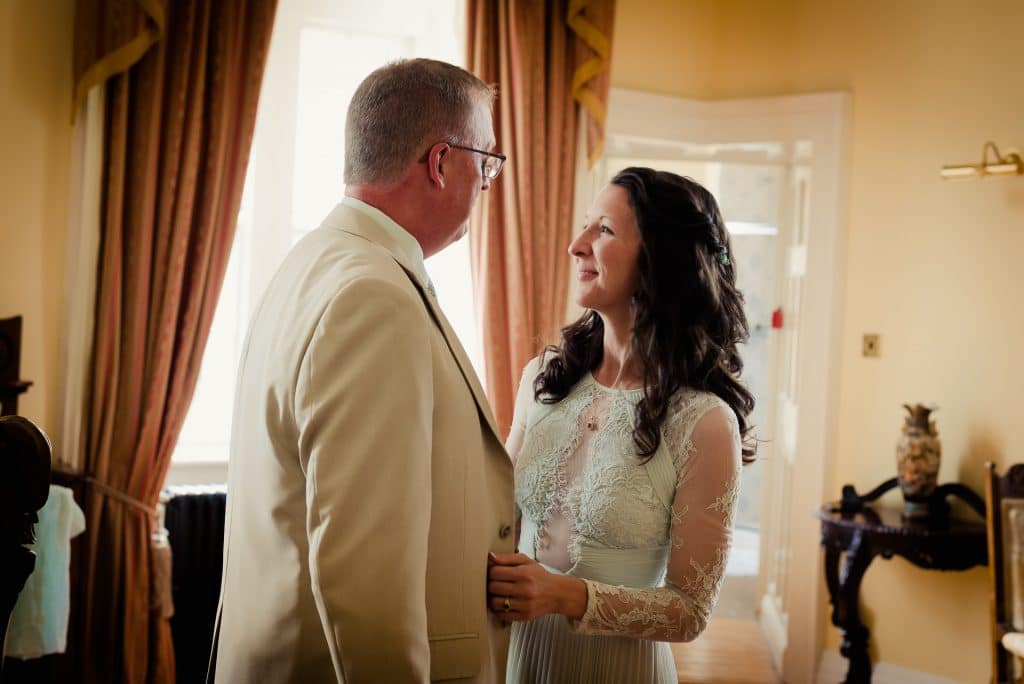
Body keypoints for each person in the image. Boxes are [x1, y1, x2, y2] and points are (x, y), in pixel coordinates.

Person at [214, 58, 515, 683]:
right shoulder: (372, 297)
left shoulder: (312, 263)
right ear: (439, 163)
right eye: (486, 164)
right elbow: (365, 572)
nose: (488, 185)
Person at [488, 167, 757, 683]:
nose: (575, 245)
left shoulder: (703, 423)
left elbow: (689, 611)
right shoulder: (543, 379)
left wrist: (560, 594)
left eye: (603, 230)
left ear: (659, 261)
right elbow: (500, 517)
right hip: (513, 661)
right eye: (585, 226)